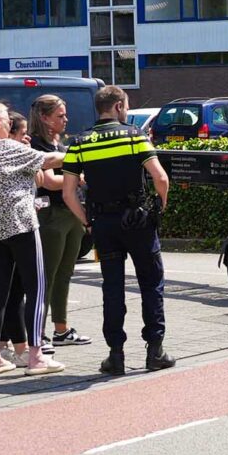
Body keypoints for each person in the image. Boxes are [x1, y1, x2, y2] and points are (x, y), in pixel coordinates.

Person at [63, 84, 174, 375]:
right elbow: (160, 178)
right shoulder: (134, 135)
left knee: (112, 288)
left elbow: (68, 193)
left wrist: (87, 220)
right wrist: (160, 206)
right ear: (118, 107)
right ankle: (155, 351)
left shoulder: (79, 142)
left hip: (104, 224)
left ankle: (116, 356)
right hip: (138, 222)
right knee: (151, 284)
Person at [0, 101, 66, 377]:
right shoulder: (6, 148)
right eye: (5, 119)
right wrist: (78, 151)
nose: (8, 124)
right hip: (21, 226)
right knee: (37, 289)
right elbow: (50, 160)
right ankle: (37, 356)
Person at [28, 95, 88, 348]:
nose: (66, 120)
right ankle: (38, 335)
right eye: (60, 116)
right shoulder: (36, 145)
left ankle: (61, 330)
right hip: (50, 215)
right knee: (47, 277)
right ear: (44, 117)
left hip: (71, 212)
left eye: (65, 115)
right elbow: (50, 181)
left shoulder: (60, 143)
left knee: (65, 273)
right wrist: (79, 179)